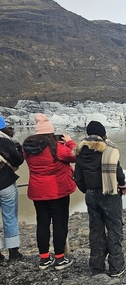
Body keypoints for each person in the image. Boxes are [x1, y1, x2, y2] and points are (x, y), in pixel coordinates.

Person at [74, 121, 126, 277]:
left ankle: (96, 267)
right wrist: (122, 185)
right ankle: (116, 267)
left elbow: (77, 177)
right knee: (114, 228)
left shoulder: (80, 151)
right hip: (110, 194)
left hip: (91, 194)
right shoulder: (109, 150)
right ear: (103, 134)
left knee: (96, 230)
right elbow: (118, 172)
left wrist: (88, 190)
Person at [23, 114, 76, 270]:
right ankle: (59, 259)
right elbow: (76, 156)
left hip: (37, 191)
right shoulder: (57, 148)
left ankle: (44, 259)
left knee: (42, 224)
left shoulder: (27, 148)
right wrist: (70, 142)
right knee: (60, 223)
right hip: (58, 191)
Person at [0, 116, 25, 262]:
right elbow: (18, 160)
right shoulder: (4, 141)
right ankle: (14, 253)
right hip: (5, 183)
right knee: (10, 217)